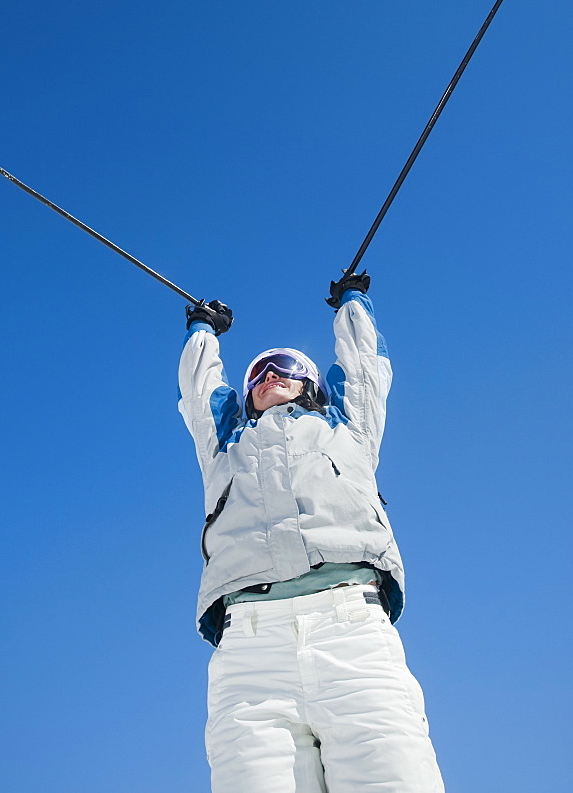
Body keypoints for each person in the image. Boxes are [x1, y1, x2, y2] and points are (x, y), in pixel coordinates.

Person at [178, 271, 444, 793]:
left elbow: (366, 368)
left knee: (394, 777)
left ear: (313, 387)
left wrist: (352, 304)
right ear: (246, 396)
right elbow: (198, 392)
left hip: (351, 632)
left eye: (289, 367)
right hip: (251, 653)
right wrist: (202, 333)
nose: (273, 373)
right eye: (259, 372)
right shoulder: (223, 449)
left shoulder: (348, 429)